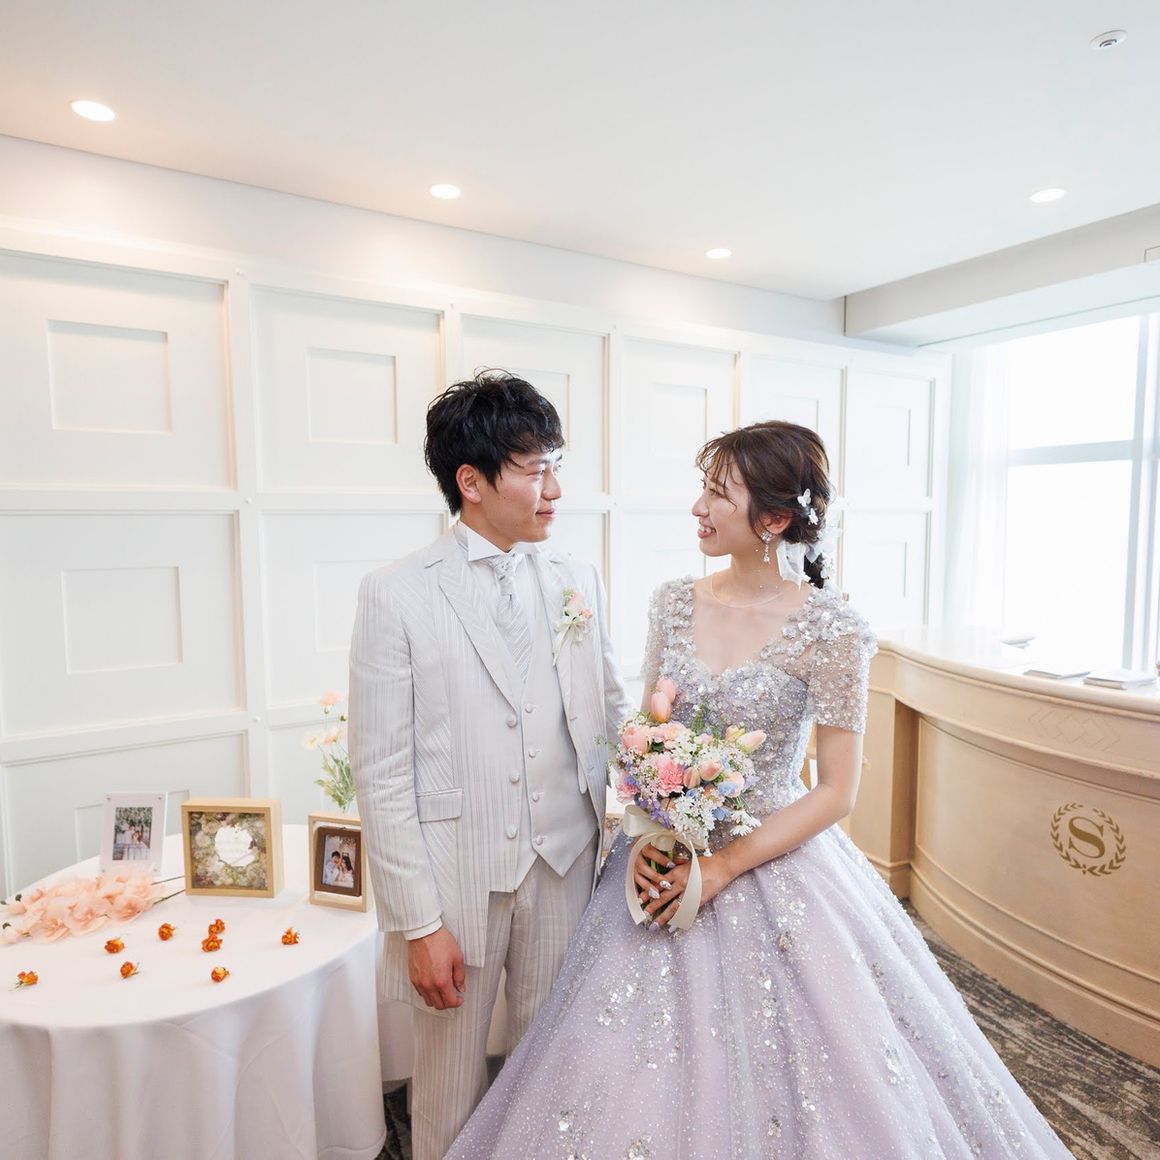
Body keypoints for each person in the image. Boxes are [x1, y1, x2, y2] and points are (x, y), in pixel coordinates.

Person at [448, 421, 1071, 1158]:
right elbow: (651, 734)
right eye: (702, 490)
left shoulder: (834, 630)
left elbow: (837, 791)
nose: (698, 508)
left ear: (773, 520)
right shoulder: (673, 602)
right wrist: (650, 833)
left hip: (776, 863)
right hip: (663, 856)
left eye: (719, 494)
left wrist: (721, 868)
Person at [348, 370, 632, 1160]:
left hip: (567, 866)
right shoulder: (396, 594)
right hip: (456, 885)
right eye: (536, 470)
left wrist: (671, 791)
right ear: (471, 482)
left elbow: (612, 711)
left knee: (557, 1069)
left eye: (555, 467)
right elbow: (381, 772)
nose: (555, 490)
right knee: (447, 1087)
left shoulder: (578, 580)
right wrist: (417, 923)